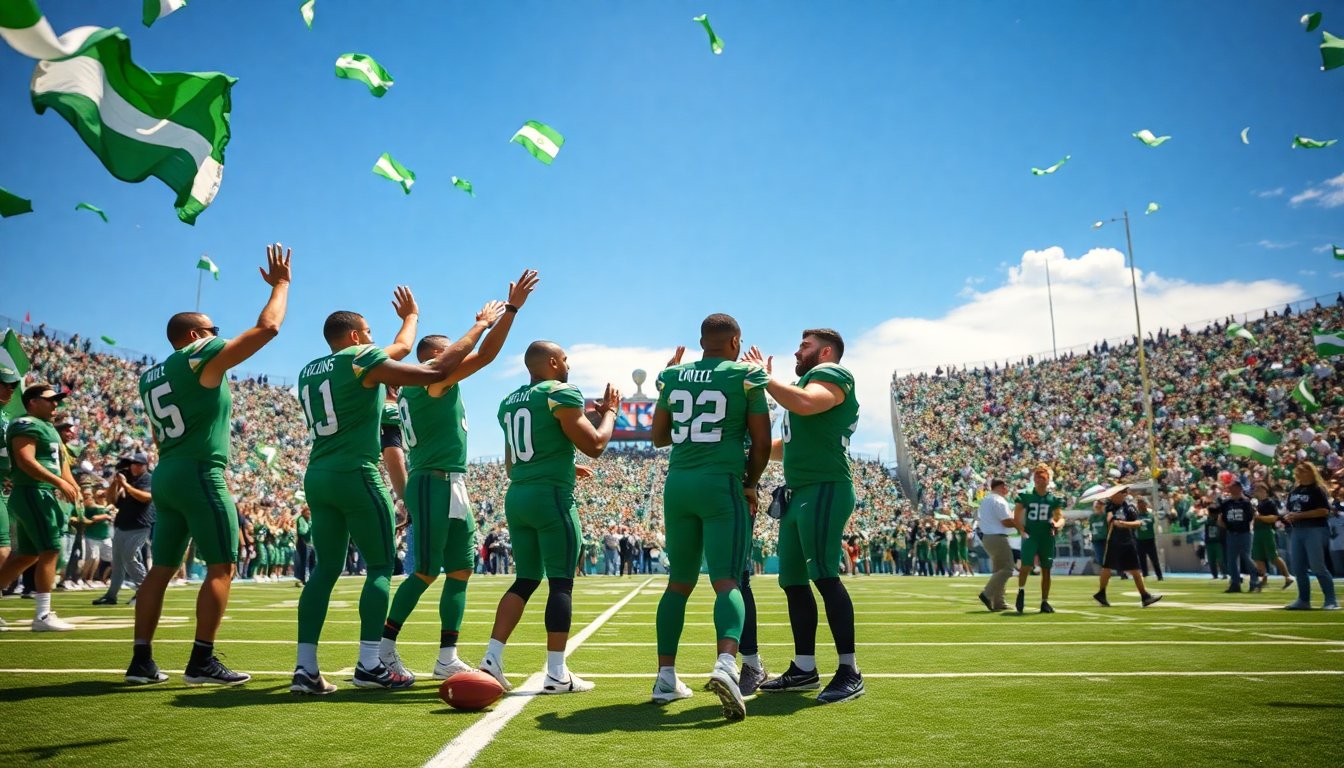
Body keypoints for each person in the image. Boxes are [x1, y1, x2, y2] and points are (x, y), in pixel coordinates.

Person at [291, 287, 504, 695]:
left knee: (325, 570)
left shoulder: (309, 370)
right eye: (369, 332)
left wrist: (411, 319)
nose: (374, 340)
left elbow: (399, 352)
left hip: (317, 473)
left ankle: (306, 667)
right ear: (356, 336)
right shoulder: (362, 359)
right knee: (379, 567)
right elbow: (409, 352)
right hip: (357, 471)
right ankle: (372, 661)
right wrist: (414, 318)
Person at [120, 243, 291, 686]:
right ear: (197, 335)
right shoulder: (198, 356)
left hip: (168, 471)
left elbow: (157, 433)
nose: (220, 335)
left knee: (160, 568)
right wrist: (281, 285)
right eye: (214, 330)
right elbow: (268, 327)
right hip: (199, 471)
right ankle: (201, 661)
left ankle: (141, 661)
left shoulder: (149, 376)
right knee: (221, 566)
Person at [379, 269, 538, 683]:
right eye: (450, 351)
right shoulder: (427, 382)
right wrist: (488, 321)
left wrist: (510, 311)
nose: (458, 356)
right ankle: (384, 648)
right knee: (425, 570)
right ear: (434, 356)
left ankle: (447, 655)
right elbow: (480, 354)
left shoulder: (434, 384)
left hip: (453, 481)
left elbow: (483, 357)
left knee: (461, 570)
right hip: (431, 480)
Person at [478, 340, 620, 694]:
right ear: (553, 362)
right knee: (560, 583)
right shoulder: (560, 392)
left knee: (525, 580)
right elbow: (596, 445)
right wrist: (610, 413)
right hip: (551, 497)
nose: (569, 364)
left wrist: (564, 465)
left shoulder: (509, 401)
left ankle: (492, 657)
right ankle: (557, 672)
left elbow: (513, 464)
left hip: (518, 496)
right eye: (565, 359)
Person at [649, 317, 769, 721]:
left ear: (701, 342)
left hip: (678, 485)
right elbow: (762, 442)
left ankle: (666, 677)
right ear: (735, 341)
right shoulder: (746, 375)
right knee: (726, 580)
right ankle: (727, 665)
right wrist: (750, 483)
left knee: (677, 584)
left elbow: (659, 437)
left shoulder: (672, 376)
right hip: (721, 484)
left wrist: (671, 390)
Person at [745, 328, 864, 705]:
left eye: (805, 346)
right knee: (793, 582)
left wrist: (766, 380)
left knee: (825, 577)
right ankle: (804, 667)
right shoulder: (801, 386)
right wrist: (748, 452)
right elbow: (788, 446)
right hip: (798, 492)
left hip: (824, 486)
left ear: (826, 352)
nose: (797, 352)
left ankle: (850, 670)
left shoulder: (832, 374)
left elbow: (808, 403)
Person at [0, 383, 80, 631]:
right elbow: (25, 460)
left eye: (58, 399)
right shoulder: (26, 424)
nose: (56, 403)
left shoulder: (49, 428)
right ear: (32, 402)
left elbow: (60, 463)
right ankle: (43, 615)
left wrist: (72, 485)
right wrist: (59, 482)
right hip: (33, 491)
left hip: (42, 492)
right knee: (50, 549)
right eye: (50, 399)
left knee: (27, 555)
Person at [93, 452, 153, 605]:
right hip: (122, 525)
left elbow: (146, 498)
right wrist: (115, 483)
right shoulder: (127, 478)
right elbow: (111, 501)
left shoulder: (147, 479)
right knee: (118, 563)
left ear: (145, 466)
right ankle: (111, 595)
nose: (134, 467)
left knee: (130, 557)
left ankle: (144, 590)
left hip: (140, 525)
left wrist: (125, 485)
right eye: (132, 464)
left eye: (138, 464)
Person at [1093, 486, 1162, 608]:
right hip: (1113, 541)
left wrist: (1123, 524)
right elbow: (1110, 519)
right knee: (1107, 567)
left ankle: (1144, 596)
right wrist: (1114, 521)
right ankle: (1102, 593)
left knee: (1135, 569)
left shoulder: (1129, 508)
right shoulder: (1110, 506)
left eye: (1123, 493)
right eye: (1121, 493)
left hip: (1127, 541)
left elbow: (1138, 522)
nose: (1123, 495)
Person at [1282, 462, 1338, 610]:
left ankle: (1331, 600)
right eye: (1298, 471)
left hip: (1315, 529)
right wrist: (1289, 516)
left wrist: (1300, 515)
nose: (1299, 473)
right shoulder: (1294, 491)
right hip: (1297, 530)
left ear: (1311, 472)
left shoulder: (1317, 490)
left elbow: (1323, 511)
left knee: (1317, 566)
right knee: (1298, 567)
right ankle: (1303, 599)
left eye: (1303, 471)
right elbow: (1291, 509)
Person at [1012, 464, 1066, 614]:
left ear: (1048, 480)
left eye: (1043, 477)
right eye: (1037, 476)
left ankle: (1044, 601)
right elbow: (1016, 517)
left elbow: (1061, 518)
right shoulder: (1026, 495)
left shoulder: (1053, 498)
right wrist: (1022, 530)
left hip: (1046, 537)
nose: (1040, 479)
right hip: (1031, 535)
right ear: (1034, 479)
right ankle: (1021, 591)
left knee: (1046, 569)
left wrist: (1056, 524)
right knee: (1026, 566)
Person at [977, 479, 1018, 611]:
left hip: (988, 537)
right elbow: (1006, 522)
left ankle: (999, 602)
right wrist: (1021, 524)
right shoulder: (999, 500)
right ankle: (987, 593)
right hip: (997, 537)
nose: (1007, 489)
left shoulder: (986, 500)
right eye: (1006, 486)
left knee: (999, 570)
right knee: (1008, 569)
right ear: (1001, 486)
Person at [1216, 480, 1260, 594]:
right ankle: (1235, 583)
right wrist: (1228, 527)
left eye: (1233, 486)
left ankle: (1254, 579)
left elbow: (1251, 517)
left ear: (1239, 488)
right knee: (1231, 560)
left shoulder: (1246, 502)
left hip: (1244, 533)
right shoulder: (1226, 503)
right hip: (1231, 534)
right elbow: (1222, 518)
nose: (1230, 488)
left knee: (1246, 557)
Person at [1250, 483, 1292, 592]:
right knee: (1257, 557)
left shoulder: (1270, 502)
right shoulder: (1258, 503)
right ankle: (1263, 578)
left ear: (1264, 490)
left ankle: (1287, 577)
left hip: (1267, 531)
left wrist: (1259, 517)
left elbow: (1274, 518)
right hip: (1258, 532)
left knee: (1273, 557)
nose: (1255, 491)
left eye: (1257, 489)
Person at [1135, 498, 1163, 581]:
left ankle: (1159, 576)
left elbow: (1152, 522)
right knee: (1142, 559)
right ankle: (1145, 575)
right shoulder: (1136, 516)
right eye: (1139, 503)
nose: (1140, 505)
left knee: (1154, 559)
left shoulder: (1150, 515)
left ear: (1145, 504)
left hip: (1150, 539)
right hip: (1140, 540)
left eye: (1141, 503)